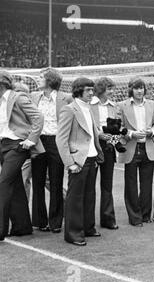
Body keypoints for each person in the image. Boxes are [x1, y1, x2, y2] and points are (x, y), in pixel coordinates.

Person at [56, 77, 104, 246]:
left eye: (92, 89)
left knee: (90, 195)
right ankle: (73, 233)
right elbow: (61, 139)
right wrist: (70, 163)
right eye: (88, 90)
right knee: (75, 198)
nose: (91, 93)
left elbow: (93, 134)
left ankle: (88, 227)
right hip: (78, 160)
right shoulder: (69, 109)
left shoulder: (88, 108)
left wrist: (98, 153)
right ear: (78, 91)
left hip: (91, 158)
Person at [0, 71, 44, 241]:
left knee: (3, 184)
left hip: (17, 145)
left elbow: (38, 117)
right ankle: (22, 227)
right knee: (16, 185)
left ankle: (1, 229)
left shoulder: (18, 97)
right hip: (3, 144)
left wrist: (31, 140)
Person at [30, 68, 73, 233]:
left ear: (50, 80)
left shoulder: (66, 98)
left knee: (56, 182)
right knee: (38, 182)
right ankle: (39, 221)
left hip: (57, 142)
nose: (38, 80)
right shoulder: (33, 97)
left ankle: (55, 222)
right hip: (38, 141)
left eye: (41, 77)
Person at [118, 77, 154, 227]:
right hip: (131, 148)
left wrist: (152, 131)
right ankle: (134, 217)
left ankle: (145, 215)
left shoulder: (152, 104)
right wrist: (131, 134)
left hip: (148, 148)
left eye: (141, 88)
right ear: (131, 90)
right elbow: (118, 126)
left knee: (147, 184)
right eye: (136, 88)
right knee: (131, 184)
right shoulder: (122, 106)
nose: (139, 91)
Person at [90, 77, 120, 230]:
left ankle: (108, 219)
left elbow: (115, 128)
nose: (112, 91)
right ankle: (88, 221)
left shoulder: (114, 107)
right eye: (109, 88)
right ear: (101, 89)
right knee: (90, 185)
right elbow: (87, 125)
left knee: (107, 184)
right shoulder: (90, 104)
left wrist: (113, 139)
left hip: (108, 147)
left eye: (112, 88)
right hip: (93, 146)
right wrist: (99, 135)